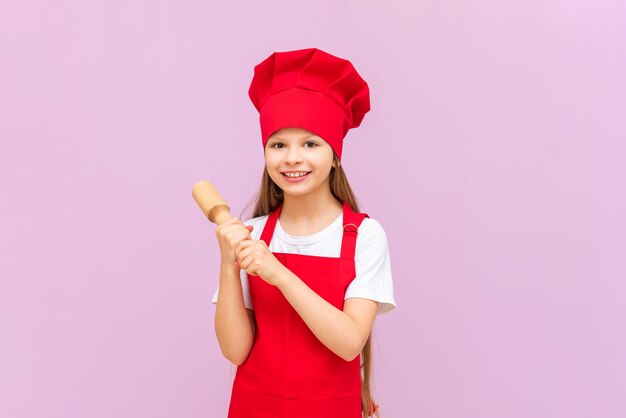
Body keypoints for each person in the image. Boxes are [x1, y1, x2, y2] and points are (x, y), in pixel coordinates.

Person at [211, 47, 396, 418]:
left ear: (335, 154)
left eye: (310, 143)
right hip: (253, 408)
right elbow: (235, 351)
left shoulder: (365, 236)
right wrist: (228, 263)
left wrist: (277, 272)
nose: (292, 158)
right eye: (278, 145)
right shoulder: (254, 233)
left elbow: (348, 343)